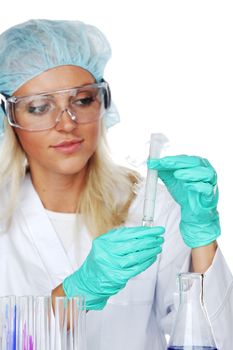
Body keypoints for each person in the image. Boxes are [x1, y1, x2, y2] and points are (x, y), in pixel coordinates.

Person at [0, 19, 232, 350]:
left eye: (82, 100)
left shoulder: (151, 206)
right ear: (7, 118)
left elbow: (217, 338)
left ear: (103, 104)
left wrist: (203, 239)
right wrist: (71, 295)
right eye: (39, 107)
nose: (67, 123)